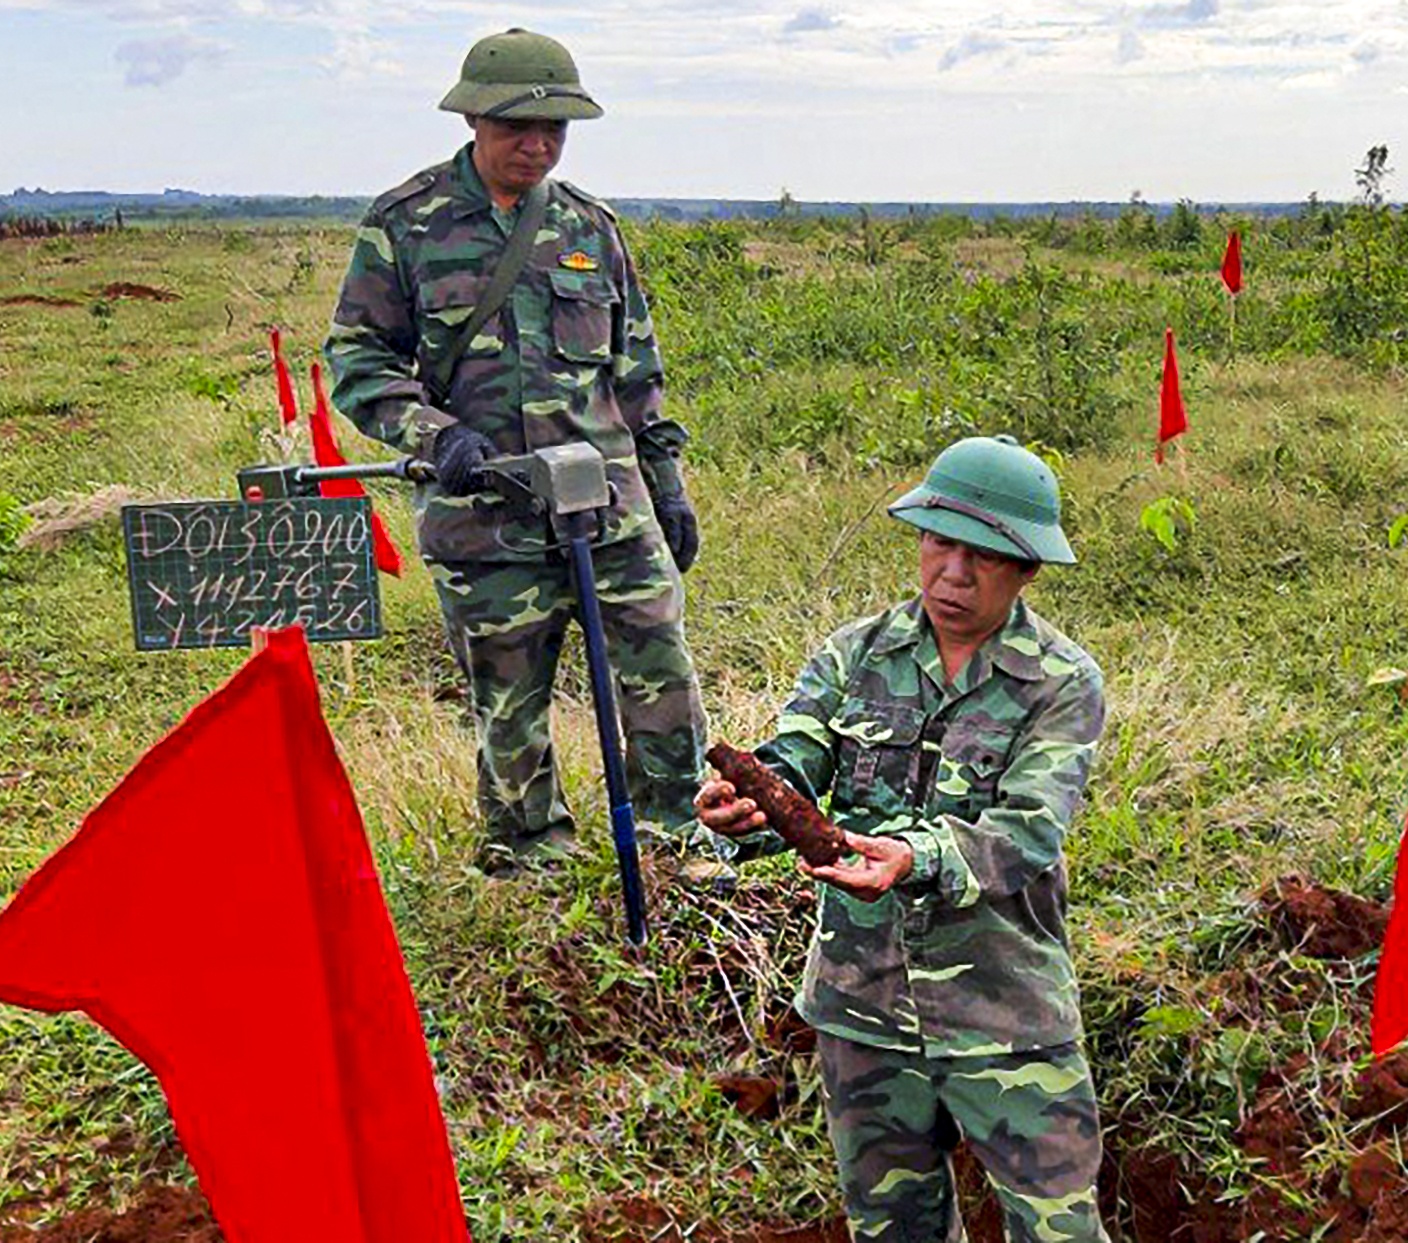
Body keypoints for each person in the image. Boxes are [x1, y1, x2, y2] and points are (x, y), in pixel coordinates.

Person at [696, 435, 1111, 1242]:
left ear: (1026, 569)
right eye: (939, 543)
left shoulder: (1061, 682)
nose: (953, 573)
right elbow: (798, 755)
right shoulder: (855, 654)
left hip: (1006, 1014)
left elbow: (1028, 828)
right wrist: (748, 808)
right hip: (863, 1009)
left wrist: (916, 858)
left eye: (983, 555)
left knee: (1059, 1228)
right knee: (891, 1228)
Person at [325, 28, 706, 875]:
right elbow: (357, 359)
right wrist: (435, 435)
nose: (537, 145)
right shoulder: (406, 224)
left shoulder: (589, 228)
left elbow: (634, 366)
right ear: (474, 122)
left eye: (554, 131)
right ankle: (531, 855)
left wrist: (666, 482)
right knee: (510, 698)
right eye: (517, 129)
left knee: (662, 673)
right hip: (483, 514)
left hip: (607, 503)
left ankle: (677, 838)